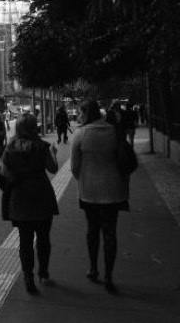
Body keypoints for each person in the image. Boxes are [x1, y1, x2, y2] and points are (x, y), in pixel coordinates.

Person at [71, 98, 130, 295]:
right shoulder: (114, 131)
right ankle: (109, 277)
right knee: (110, 233)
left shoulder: (80, 134)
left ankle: (93, 268)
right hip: (114, 192)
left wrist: (87, 179)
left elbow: (74, 168)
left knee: (92, 231)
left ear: (87, 113)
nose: (78, 116)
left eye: (80, 112)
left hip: (89, 193)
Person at [0, 113, 59, 294]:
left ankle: (28, 276)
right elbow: (53, 169)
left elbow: (3, 171)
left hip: (19, 199)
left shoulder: (9, 147)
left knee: (25, 241)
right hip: (41, 196)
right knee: (43, 238)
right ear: (35, 127)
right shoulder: (42, 147)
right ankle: (43, 272)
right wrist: (54, 154)